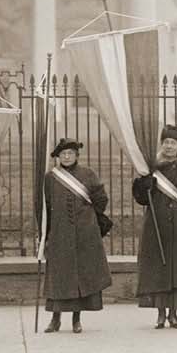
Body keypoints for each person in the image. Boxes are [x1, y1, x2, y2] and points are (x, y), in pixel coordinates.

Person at [132, 124, 177, 330]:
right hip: (156, 224)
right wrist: (141, 185)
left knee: (176, 269)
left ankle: (173, 314)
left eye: (173, 143)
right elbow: (141, 199)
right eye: (166, 143)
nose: (169, 147)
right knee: (159, 269)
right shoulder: (151, 168)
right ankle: (160, 313)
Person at [38, 138, 112, 333]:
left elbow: (101, 199)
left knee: (80, 278)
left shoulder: (88, 174)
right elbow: (44, 207)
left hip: (84, 233)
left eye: (70, 153)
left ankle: (76, 320)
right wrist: (45, 234)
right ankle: (55, 319)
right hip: (59, 234)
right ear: (58, 157)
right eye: (63, 154)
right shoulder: (50, 178)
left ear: (77, 155)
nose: (67, 156)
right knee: (59, 278)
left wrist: (88, 216)